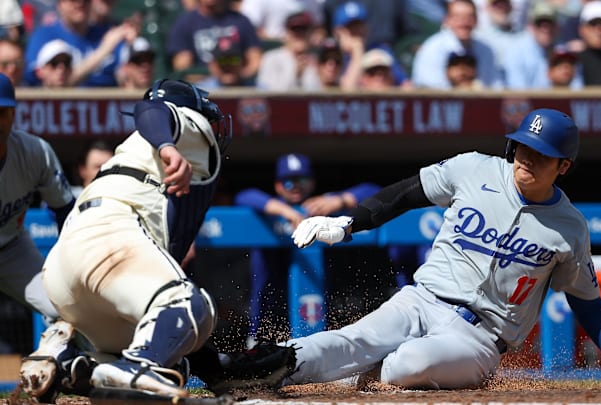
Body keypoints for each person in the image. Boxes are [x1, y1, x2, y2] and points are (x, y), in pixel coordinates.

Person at [258, 108, 601, 390]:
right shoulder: (474, 168)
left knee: (406, 364)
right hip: (421, 299)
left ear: (564, 166)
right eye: (523, 146)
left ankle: (356, 371)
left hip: (479, 339)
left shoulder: (569, 227)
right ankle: (253, 367)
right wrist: (349, 223)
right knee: (345, 340)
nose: (526, 157)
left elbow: (588, 306)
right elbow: (408, 193)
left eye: (540, 154)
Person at [18, 78, 295, 401]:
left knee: (163, 345)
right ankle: (137, 368)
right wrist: (167, 145)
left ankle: (63, 357)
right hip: (109, 236)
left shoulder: (129, 157)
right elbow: (151, 108)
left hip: (64, 277)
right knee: (191, 306)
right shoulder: (184, 126)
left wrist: (220, 368)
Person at [234, 153, 380, 343]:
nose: (296, 186)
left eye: (302, 180)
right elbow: (244, 196)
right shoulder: (270, 208)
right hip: (268, 321)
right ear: (278, 185)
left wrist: (340, 200)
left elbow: (374, 191)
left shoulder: (322, 205)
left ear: (312, 182)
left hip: (319, 310)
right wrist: (287, 212)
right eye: (288, 182)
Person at [0, 71, 74, 327]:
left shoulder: (34, 153)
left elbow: (65, 210)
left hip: (11, 248)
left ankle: (79, 365)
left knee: (64, 309)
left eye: (2, 113)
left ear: (13, 115)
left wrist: (70, 268)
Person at [23, 0, 140, 87]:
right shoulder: (44, 35)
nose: (79, 3)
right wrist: (103, 51)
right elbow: (51, 85)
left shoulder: (107, 33)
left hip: (108, 110)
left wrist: (131, 42)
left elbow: (127, 77)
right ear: (60, 4)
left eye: (86, 1)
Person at [165, 0, 262, 85]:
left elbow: (255, 60)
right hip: (203, 88)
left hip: (240, 85)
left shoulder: (241, 21)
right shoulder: (185, 24)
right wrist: (217, 74)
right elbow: (183, 69)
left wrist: (233, 77)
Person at [411, 0, 500, 89]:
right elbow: (434, 92)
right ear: (447, 20)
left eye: (469, 17)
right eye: (457, 17)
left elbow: (493, 87)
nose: (464, 22)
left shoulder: (485, 50)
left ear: (476, 20)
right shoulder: (433, 49)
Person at [256, 10, 324, 91]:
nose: (300, 34)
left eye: (304, 29)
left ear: (310, 33)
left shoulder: (318, 59)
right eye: (295, 29)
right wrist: (296, 74)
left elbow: (322, 94)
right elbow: (266, 93)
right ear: (286, 32)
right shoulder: (271, 58)